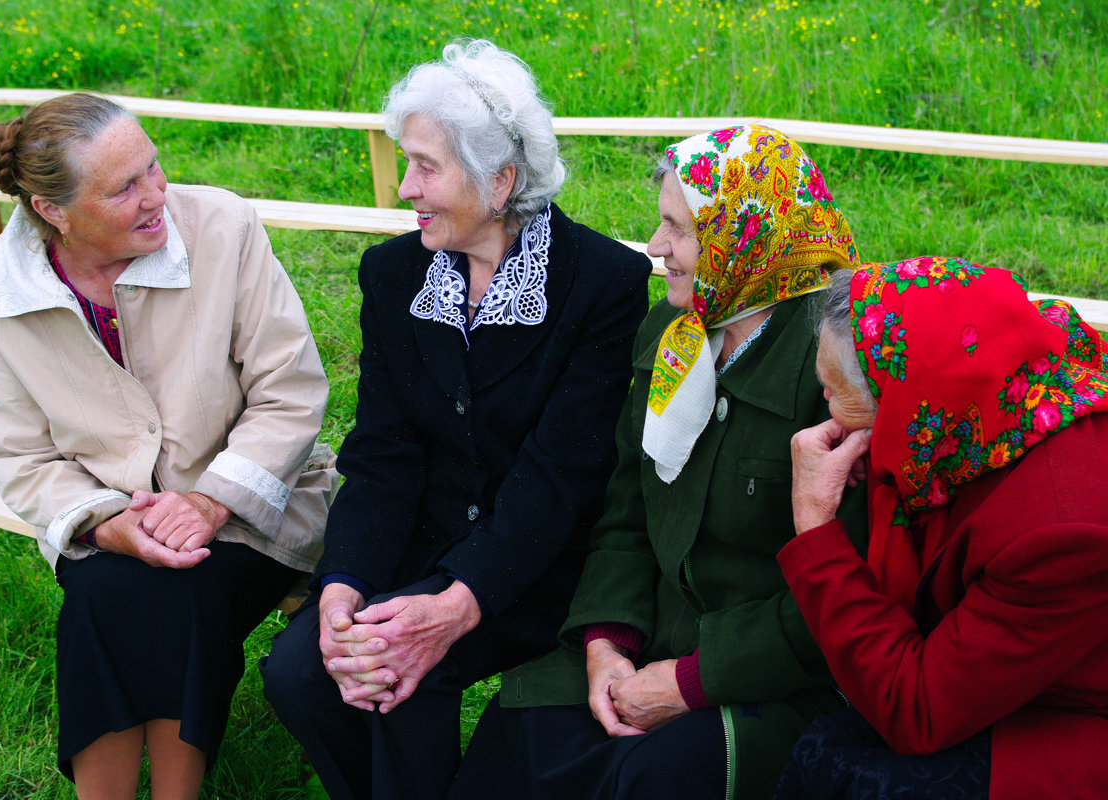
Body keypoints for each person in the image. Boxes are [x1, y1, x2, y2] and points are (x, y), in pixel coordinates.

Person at [258, 39, 652, 800]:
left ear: (500, 180)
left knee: (411, 674)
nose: (404, 188)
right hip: (417, 545)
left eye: (425, 166)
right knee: (300, 674)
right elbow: (381, 454)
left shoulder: (602, 283)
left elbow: (559, 477)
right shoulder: (395, 273)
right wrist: (343, 584)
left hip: (539, 560)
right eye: (405, 162)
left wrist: (454, 606)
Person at [450, 125, 868, 800]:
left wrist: (689, 682)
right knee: (522, 732)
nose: (657, 247)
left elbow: (840, 588)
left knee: (653, 780)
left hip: (773, 679)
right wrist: (606, 643)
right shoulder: (670, 336)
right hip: (650, 641)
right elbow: (625, 513)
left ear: (745, 240)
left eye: (679, 228)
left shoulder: (828, 366)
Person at [0, 92, 337, 799]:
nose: (156, 193)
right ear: (53, 212)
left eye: (153, 168)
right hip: (112, 517)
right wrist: (107, 522)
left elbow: (290, 393)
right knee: (107, 590)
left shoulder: (222, 226)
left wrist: (208, 501)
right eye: (125, 187)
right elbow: (19, 454)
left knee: (179, 588)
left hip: (255, 506)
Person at [775, 259, 1108, 799]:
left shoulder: (1059, 531)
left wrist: (814, 525)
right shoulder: (982, 406)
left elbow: (917, 712)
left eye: (832, 394)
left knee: (849, 772)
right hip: (1010, 683)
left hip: (1072, 723)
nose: (823, 412)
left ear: (906, 406)